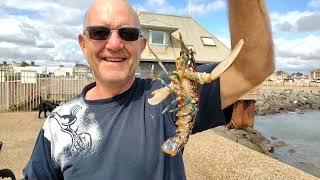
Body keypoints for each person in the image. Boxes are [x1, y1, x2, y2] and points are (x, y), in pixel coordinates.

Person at [23, 0, 274, 179]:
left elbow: (252, 67)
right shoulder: (57, 125)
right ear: (82, 43)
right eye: (99, 32)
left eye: (128, 33)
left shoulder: (165, 100)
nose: (114, 43)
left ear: (142, 45)